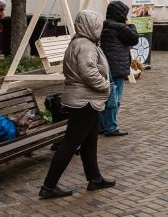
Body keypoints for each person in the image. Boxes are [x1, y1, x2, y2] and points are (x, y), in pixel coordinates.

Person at [39, 10, 115, 199]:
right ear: (89, 26)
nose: (99, 29)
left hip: (85, 99)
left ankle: (94, 178)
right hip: (85, 101)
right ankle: (49, 186)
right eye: (97, 26)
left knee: (90, 140)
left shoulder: (80, 42)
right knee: (71, 143)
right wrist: (105, 86)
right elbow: (88, 72)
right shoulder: (85, 45)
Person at [98, 0, 138, 137]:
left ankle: (102, 125)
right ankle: (111, 127)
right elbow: (134, 39)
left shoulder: (105, 26)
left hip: (106, 67)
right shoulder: (120, 28)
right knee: (114, 99)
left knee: (105, 97)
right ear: (120, 14)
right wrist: (131, 24)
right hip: (117, 68)